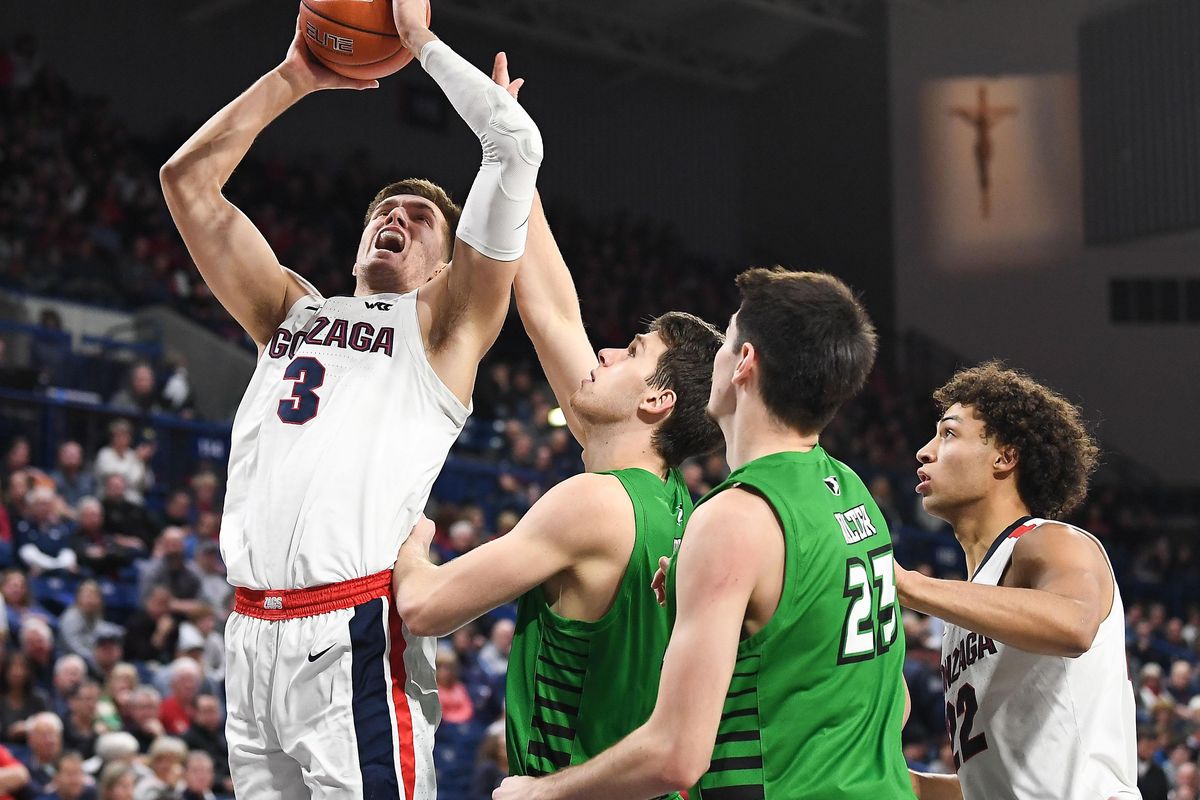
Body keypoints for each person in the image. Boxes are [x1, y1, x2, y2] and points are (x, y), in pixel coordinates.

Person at [157, 0, 543, 794]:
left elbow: (515, 149)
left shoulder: (443, 327)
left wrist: (422, 44)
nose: (394, 216)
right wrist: (294, 76)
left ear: (447, 264)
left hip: (354, 630)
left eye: (420, 217)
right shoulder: (291, 310)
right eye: (382, 212)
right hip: (250, 633)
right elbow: (186, 183)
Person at [495, 268, 913, 799]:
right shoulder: (852, 493)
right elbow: (894, 702)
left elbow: (675, 757)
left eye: (728, 338)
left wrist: (540, 793)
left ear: (744, 363)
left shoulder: (735, 517)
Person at [394, 174, 724, 785]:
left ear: (657, 401)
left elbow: (424, 605)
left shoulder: (593, 503)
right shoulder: (671, 501)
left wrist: (407, 537)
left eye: (632, 351)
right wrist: (516, 160)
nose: (606, 353)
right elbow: (551, 313)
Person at [897, 362, 1139, 799]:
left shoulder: (1051, 541)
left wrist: (907, 585)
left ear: (1005, 457)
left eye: (948, 433)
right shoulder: (968, 610)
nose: (925, 451)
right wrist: (907, 785)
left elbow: (1074, 624)